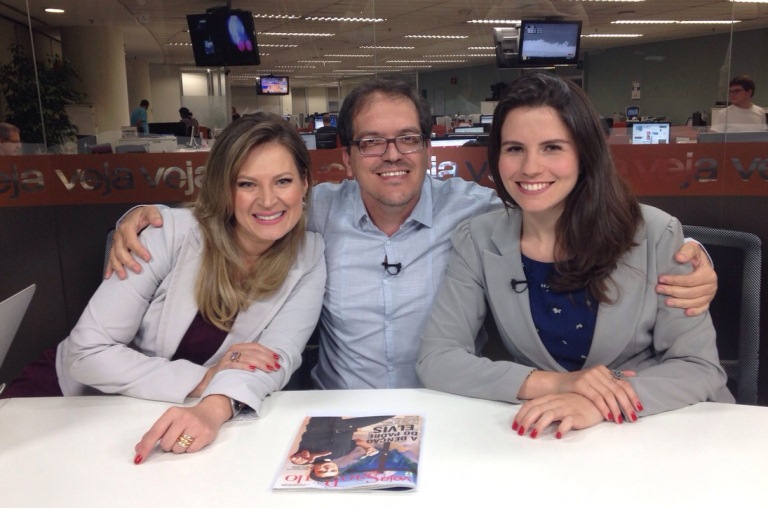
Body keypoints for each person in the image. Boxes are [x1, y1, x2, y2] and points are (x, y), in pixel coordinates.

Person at [107, 79, 718, 391]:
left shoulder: (480, 216)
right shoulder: (311, 211)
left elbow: (572, 208)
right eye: (371, 141)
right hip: (337, 411)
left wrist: (693, 254)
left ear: (429, 147)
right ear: (344, 155)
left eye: (407, 138)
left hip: (455, 410)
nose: (391, 155)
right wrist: (139, 217)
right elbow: (233, 208)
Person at [416, 72, 733, 440]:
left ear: (585, 154)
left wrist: (598, 403)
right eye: (514, 148)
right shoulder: (479, 238)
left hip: (657, 427)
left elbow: (698, 366)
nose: (530, 167)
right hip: (551, 433)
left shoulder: (654, 234)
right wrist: (558, 385)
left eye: (553, 147)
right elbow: (437, 359)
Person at [1, 113, 326, 463]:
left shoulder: (309, 255)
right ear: (223, 188)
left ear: (305, 183)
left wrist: (214, 408)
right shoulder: (168, 232)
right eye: (246, 184)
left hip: (169, 417)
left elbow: (276, 357)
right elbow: (88, 353)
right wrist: (205, 380)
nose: (267, 200)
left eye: (283, 181)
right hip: (69, 402)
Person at [289, 416, 392, 481]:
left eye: (323, 471)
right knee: (390, 414)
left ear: (312, 469)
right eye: (333, 470)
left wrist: (303, 457)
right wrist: (368, 447)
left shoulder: (308, 458)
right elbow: (357, 442)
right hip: (348, 423)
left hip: (324, 418)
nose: (328, 468)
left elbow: (297, 459)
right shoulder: (342, 453)